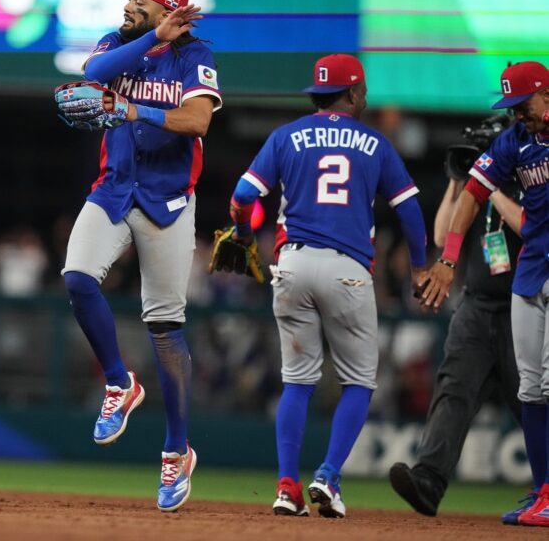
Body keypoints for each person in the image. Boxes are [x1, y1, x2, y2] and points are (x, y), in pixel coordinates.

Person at [226, 54, 428, 518]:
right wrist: (419, 268)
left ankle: (286, 487)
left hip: (293, 265)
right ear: (353, 93)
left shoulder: (286, 135)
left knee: (297, 383)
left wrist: (241, 234)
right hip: (347, 269)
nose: (365, 97)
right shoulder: (375, 143)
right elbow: (410, 210)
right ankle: (329, 476)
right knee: (358, 382)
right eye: (363, 91)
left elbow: (243, 197)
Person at [60, 0, 221, 512]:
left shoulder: (195, 55)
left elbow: (198, 120)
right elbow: (92, 74)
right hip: (114, 188)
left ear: (168, 9)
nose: (128, 5)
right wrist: (152, 37)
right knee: (77, 278)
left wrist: (137, 110)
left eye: (140, 0)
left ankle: (176, 451)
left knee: (166, 328)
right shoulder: (119, 43)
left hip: (168, 199)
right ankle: (118, 383)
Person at [418, 61, 549, 527]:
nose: (518, 115)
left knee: (545, 386)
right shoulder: (515, 141)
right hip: (525, 278)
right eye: (511, 108)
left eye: (523, 105)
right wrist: (449, 259)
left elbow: (525, 222)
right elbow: (470, 197)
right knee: (530, 389)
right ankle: (542, 492)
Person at [389, 171, 523, 517]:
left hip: (526, 308)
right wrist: (458, 181)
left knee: (534, 403)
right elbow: (440, 235)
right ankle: (428, 481)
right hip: (477, 305)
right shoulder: (479, 185)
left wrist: (490, 188)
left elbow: (529, 226)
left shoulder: (535, 173)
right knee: (453, 389)